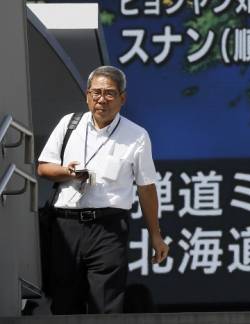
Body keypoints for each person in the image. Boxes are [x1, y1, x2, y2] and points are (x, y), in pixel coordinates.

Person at [37, 65, 168, 314]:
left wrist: (155, 235)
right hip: (66, 225)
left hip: (109, 227)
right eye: (96, 92)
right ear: (87, 95)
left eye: (109, 93)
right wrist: (68, 172)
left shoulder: (137, 135)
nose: (102, 99)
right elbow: (43, 168)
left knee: (106, 302)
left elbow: (146, 188)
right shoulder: (69, 124)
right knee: (65, 302)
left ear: (122, 98)